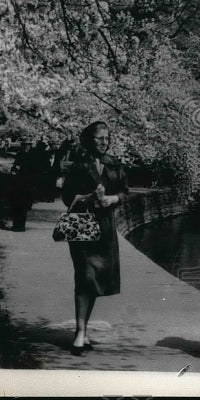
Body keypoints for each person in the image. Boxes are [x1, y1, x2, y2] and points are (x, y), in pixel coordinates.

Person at [61, 121, 129, 354]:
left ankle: (83, 328)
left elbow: (124, 191)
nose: (104, 142)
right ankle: (80, 332)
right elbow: (66, 196)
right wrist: (88, 198)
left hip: (105, 228)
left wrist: (113, 199)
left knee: (96, 278)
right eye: (99, 138)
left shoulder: (114, 164)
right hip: (82, 225)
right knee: (84, 275)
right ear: (90, 139)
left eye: (107, 138)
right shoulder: (78, 165)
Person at [7, 140, 36, 231]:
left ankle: (21, 226)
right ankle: (16, 225)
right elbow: (15, 167)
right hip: (18, 184)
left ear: (30, 146)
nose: (26, 147)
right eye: (24, 145)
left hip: (27, 185)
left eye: (28, 145)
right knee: (17, 205)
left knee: (24, 206)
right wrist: (14, 171)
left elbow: (35, 170)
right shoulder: (20, 155)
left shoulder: (32, 156)